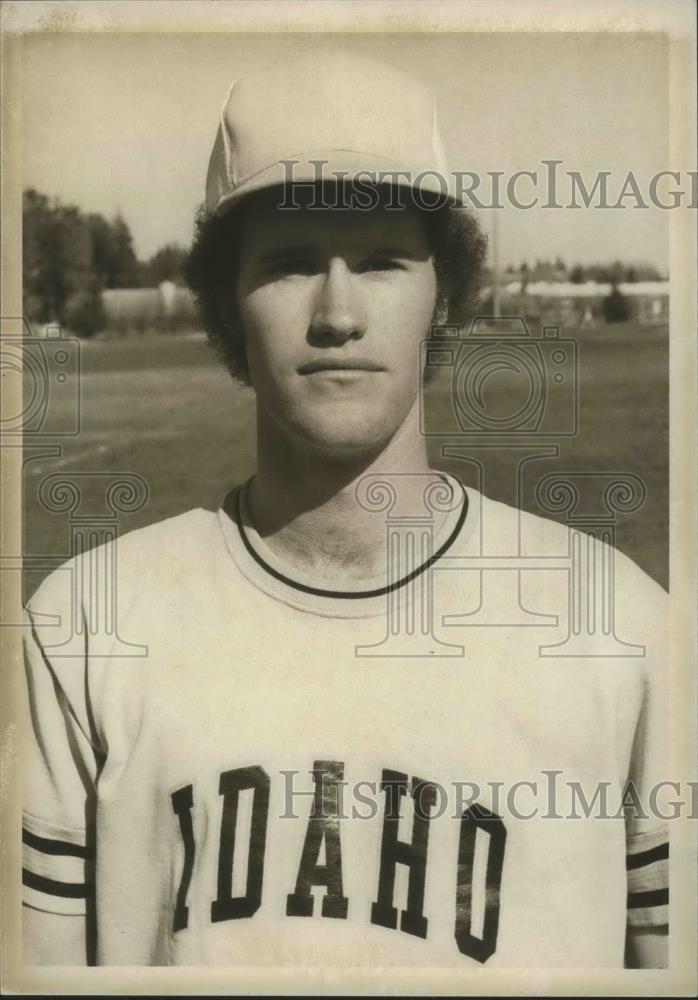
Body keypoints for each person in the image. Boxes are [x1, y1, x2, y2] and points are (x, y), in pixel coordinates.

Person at [22, 49, 669, 969]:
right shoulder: (86, 626)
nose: (337, 313)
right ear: (223, 304)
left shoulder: (622, 629)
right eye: (288, 266)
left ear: (444, 295)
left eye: (380, 261)